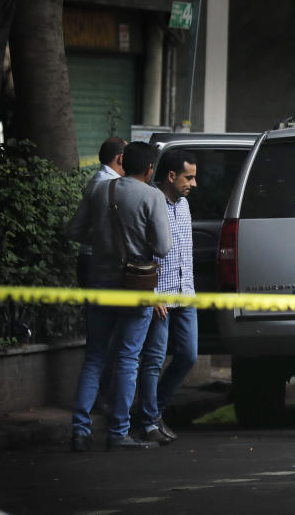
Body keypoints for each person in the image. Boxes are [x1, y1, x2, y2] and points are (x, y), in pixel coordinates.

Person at [66, 142, 171, 451]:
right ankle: (119, 433)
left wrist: (102, 240)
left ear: (123, 163)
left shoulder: (100, 190)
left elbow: (73, 231)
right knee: (127, 359)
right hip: (134, 288)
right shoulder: (152, 196)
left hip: (98, 284)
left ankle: (80, 431)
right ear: (150, 169)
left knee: (95, 357)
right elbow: (163, 248)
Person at [136, 150, 198, 445]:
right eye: (190, 177)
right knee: (153, 360)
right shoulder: (150, 202)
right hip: (159, 297)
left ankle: (155, 410)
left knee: (188, 355)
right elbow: (141, 251)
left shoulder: (184, 205)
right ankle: (148, 420)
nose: (194, 183)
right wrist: (151, 294)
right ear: (171, 176)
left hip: (186, 294)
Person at [76, 137, 127, 288]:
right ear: (121, 158)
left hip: (90, 259)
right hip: (100, 262)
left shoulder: (99, 180)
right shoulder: (110, 185)